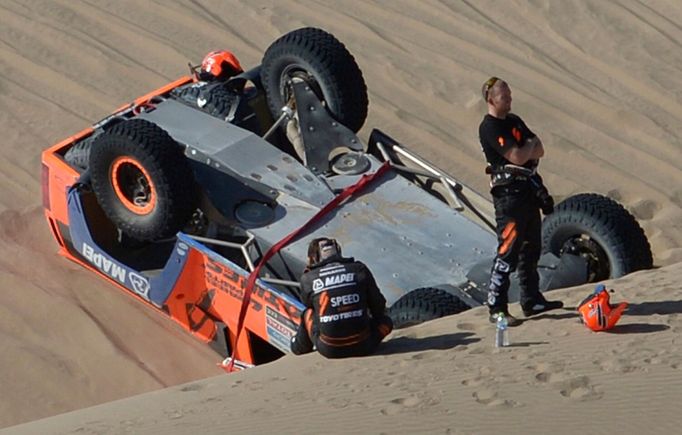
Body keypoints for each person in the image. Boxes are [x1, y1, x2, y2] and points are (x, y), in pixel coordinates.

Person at [478, 76, 563, 326]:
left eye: (510, 94)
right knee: (508, 252)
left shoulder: (514, 121)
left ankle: (532, 300)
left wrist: (527, 149)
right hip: (508, 198)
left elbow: (540, 149)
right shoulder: (490, 127)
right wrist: (527, 148)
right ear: (491, 99)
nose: (510, 99)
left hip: (527, 192)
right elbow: (517, 155)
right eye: (505, 96)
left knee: (531, 248)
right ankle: (497, 307)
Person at [290, 237, 393, 358]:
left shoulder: (308, 278)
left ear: (313, 258)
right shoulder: (359, 269)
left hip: (329, 349)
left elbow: (308, 305)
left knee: (307, 313)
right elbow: (379, 304)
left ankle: (298, 347)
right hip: (365, 345)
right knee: (387, 322)